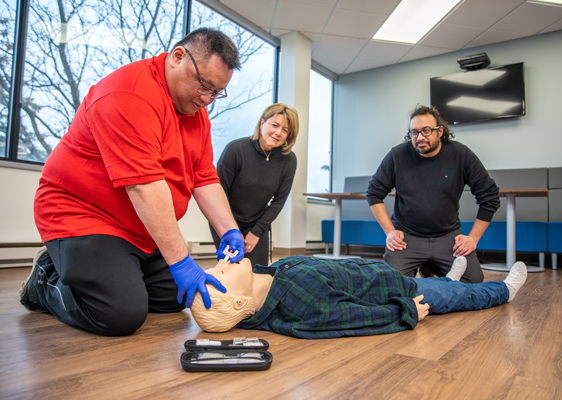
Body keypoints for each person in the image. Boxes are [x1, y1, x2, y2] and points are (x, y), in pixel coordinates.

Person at [20, 28, 247, 337]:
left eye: (216, 92)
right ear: (178, 57)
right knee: (120, 314)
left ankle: (110, 273)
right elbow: (143, 186)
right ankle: (45, 280)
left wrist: (229, 230)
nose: (207, 99)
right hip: (83, 216)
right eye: (204, 85)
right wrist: (181, 262)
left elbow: (204, 177)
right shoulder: (129, 93)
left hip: (137, 227)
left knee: (176, 298)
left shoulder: (196, 113)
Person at [190, 256, 527, 339]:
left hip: (381, 277)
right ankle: (502, 290)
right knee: (458, 295)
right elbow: (352, 318)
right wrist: (402, 313)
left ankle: (449, 279)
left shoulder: (272, 273)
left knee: (445, 286)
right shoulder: (301, 306)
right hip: (399, 294)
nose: (221, 262)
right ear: (238, 302)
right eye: (220, 273)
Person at [366, 105, 500, 283]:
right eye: (414, 132)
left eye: (426, 131)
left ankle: (428, 267)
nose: (420, 137)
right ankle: (429, 269)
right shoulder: (397, 155)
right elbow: (374, 193)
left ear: (440, 131)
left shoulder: (460, 154)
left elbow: (490, 197)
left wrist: (473, 238)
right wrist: (390, 232)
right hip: (407, 238)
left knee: (473, 281)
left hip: (446, 237)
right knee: (391, 285)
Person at [209, 103, 299, 267]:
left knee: (258, 272)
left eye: (285, 130)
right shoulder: (236, 150)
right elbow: (219, 194)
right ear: (262, 123)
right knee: (233, 269)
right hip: (225, 218)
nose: (278, 133)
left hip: (256, 223)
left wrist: (256, 232)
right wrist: (232, 230)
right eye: (275, 125)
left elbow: (278, 201)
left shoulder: (289, 160)